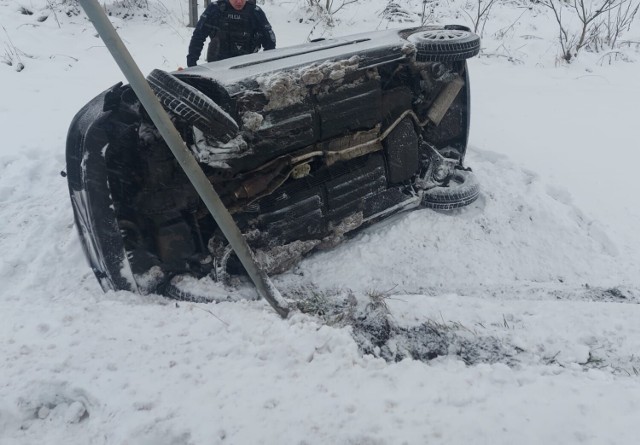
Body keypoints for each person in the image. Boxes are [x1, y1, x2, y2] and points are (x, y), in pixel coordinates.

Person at [187, 0, 276, 67]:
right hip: (218, 65)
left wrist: (267, 66)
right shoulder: (215, 9)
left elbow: (270, 41)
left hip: (247, 65)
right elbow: (198, 37)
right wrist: (191, 63)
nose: (239, 2)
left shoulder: (255, 12)